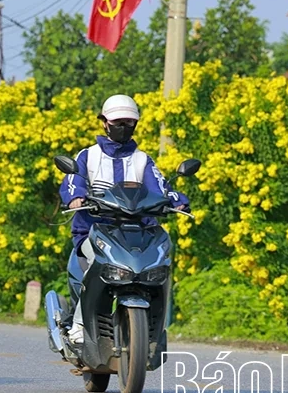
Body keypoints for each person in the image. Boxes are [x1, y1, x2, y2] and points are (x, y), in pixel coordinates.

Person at [59, 94, 190, 345]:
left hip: (136, 232)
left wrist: (176, 201)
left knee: (157, 264)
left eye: (129, 122)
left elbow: (160, 186)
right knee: (89, 270)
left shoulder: (142, 159)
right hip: (95, 229)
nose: (123, 127)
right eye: (118, 122)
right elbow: (73, 181)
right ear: (104, 122)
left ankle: (152, 328)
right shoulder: (88, 155)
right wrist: (75, 197)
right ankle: (78, 325)